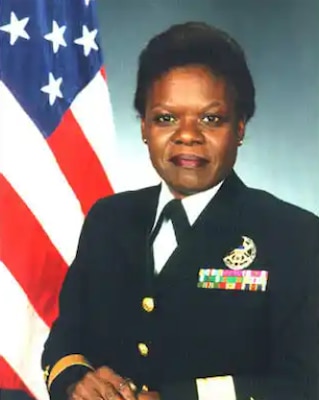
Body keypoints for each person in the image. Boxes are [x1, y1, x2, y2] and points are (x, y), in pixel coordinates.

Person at [41, 22, 319, 400]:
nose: (187, 134)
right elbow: (66, 337)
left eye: (211, 119)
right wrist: (76, 379)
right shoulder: (109, 220)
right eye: (166, 118)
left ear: (239, 128)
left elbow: (305, 383)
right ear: (143, 127)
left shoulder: (295, 236)